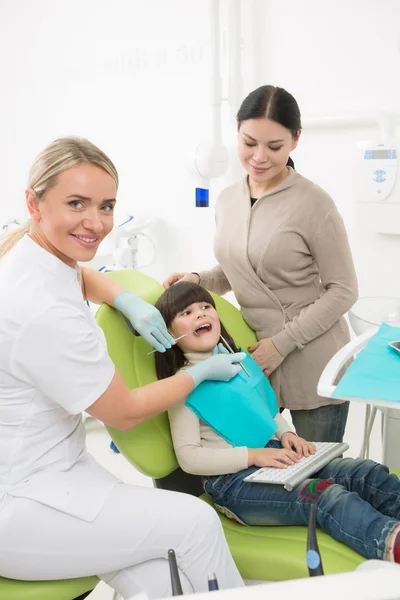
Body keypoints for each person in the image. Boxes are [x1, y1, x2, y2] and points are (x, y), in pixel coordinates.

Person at [0, 138, 245, 599]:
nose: (96, 223)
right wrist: (196, 374)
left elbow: (77, 273)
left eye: (106, 206)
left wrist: (123, 297)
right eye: (77, 204)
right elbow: (125, 411)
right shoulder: (41, 311)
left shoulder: (31, 254)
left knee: (158, 578)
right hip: (23, 501)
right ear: (33, 202)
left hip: (62, 468)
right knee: (195, 522)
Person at [164, 85, 359, 443]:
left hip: (313, 360)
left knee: (320, 479)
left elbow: (344, 290)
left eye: (274, 147)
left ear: (296, 140)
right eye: (248, 142)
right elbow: (238, 269)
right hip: (256, 361)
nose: (259, 157)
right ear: (237, 131)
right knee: (265, 474)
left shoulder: (315, 203)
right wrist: (198, 279)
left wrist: (282, 343)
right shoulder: (227, 200)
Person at [155, 281, 400, 563]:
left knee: (365, 472)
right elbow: (189, 459)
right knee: (327, 497)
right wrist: (255, 455)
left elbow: (266, 410)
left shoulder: (238, 362)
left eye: (206, 306)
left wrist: (285, 434)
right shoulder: (181, 386)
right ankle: (393, 543)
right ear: (169, 333)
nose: (200, 314)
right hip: (234, 483)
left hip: (278, 457)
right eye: (186, 312)